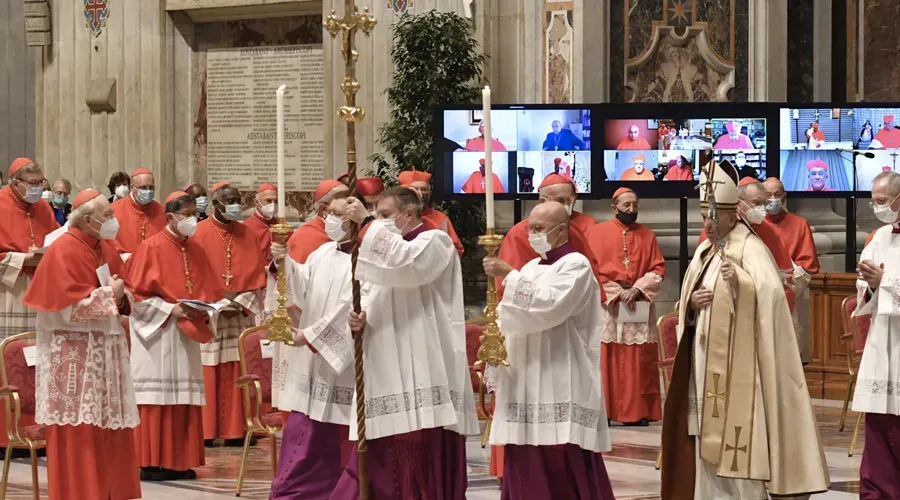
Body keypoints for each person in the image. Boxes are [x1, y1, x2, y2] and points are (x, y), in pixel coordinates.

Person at [660, 160, 830, 499]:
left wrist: (741, 284)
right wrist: (691, 303)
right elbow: (688, 298)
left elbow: (772, 300)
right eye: (703, 217)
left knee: (738, 439)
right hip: (704, 364)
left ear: (732, 216)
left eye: (712, 216)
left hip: (742, 369)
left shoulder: (751, 248)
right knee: (704, 437)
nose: (707, 224)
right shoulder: (706, 250)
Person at [330, 188, 480, 499]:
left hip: (424, 357)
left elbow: (405, 266)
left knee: (417, 442)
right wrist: (362, 315)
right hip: (386, 356)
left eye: (386, 215)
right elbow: (376, 291)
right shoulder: (383, 253)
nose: (380, 220)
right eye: (378, 215)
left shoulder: (435, 242)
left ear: (409, 214)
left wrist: (367, 222)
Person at [482, 201, 614, 499]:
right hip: (525, 375)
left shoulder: (577, 265)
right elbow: (510, 311)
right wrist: (494, 334)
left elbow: (550, 306)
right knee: (524, 451)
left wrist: (509, 274)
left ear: (562, 230)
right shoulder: (530, 267)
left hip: (559, 373)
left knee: (559, 455)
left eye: (539, 228)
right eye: (530, 228)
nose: (532, 234)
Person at [24, 189, 140, 499]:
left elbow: (125, 291)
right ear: (87, 220)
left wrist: (121, 296)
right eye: (107, 215)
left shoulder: (104, 246)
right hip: (74, 358)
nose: (113, 220)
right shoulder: (63, 250)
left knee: (110, 425)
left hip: (105, 354)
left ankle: (112, 491)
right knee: (80, 429)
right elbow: (67, 309)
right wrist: (111, 294)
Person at [126, 190, 223, 481]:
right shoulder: (150, 248)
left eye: (195, 214)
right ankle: (151, 462)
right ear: (170, 217)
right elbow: (135, 298)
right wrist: (171, 309)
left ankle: (180, 461)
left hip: (186, 334)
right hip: (158, 335)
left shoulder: (196, 249)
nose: (193, 220)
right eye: (187, 215)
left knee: (184, 398)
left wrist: (206, 308)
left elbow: (208, 289)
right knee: (157, 399)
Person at [267, 193, 356, 500]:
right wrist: (284, 263)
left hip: (344, 362)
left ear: (355, 220)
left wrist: (309, 336)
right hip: (315, 360)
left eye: (338, 215)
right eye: (329, 213)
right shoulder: (323, 252)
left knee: (339, 431)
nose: (330, 220)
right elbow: (302, 288)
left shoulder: (364, 260)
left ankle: (338, 489)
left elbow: (349, 309)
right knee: (306, 427)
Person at [194, 181, 267, 446]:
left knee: (239, 367)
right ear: (216, 204)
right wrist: (216, 305)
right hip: (211, 313)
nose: (236, 205)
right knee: (209, 369)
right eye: (230, 200)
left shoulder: (249, 234)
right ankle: (207, 431)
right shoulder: (198, 233)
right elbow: (193, 274)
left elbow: (258, 275)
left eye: (238, 199)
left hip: (239, 311)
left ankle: (238, 430)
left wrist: (240, 304)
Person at [586, 187, 665, 426]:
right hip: (609, 304)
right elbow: (590, 268)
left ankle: (636, 412)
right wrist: (617, 292)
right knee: (607, 355)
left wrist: (637, 288)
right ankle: (606, 411)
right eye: (626, 205)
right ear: (614, 208)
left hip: (637, 301)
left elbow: (658, 267)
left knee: (638, 358)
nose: (631, 209)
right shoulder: (595, 233)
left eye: (635, 205)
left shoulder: (647, 235)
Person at [0, 158, 57, 453]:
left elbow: (58, 240)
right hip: (9, 292)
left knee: (39, 361)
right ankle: (4, 435)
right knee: (8, 361)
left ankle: (38, 432)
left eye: (40, 183)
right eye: (33, 184)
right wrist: (24, 258)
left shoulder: (44, 208)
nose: (38, 189)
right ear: (15, 183)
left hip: (40, 290)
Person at [853, 170, 900, 498]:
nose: (877, 207)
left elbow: (887, 282)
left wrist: (886, 282)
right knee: (880, 421)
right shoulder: (879, 237)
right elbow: (864, 288)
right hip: (883, 340)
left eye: (882, 201)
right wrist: (870, 285)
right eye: (874, 202)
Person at [699, 177, 797, 312]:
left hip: (755, 309)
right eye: (756, 203)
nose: (762, 209)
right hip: (717, 304)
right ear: (739, 203)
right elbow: (700, 274)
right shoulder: (715, 231)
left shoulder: (769, 232)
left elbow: (782, 279)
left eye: (764, 203)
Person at [764, 176, 820, 358]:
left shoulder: (799, 224)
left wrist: (781, 279)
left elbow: (807, 267)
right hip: (759, 299)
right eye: (768, 195)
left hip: (789, 297)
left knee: (788, 354)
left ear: (784, 196)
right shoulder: (752, 224)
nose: (773, 199)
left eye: (777, 194)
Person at [399, 168, 464, 256]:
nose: (420, 193)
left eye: (423, 189)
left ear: (430, 192)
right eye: (415, 189)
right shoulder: (396, 216)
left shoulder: (441, 218)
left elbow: (456, 250)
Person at [110, 168, 166, 261]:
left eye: (151, 187)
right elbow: (107, 246)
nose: (148, 191)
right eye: (143, 188)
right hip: (125, 266)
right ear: (132, 188)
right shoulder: (114, 210)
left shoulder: (162, 211)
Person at [287, 179, 349, 263]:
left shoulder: (350, 230)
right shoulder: (304, 237)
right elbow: (297, 270)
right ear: (323, 209)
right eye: (337, 213)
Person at [243, 183, 277, 266]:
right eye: (268, 201)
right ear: (256, 202)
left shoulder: (283, 226)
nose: (273, 205)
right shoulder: (245, 228)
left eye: (276, 201)